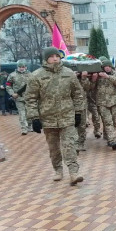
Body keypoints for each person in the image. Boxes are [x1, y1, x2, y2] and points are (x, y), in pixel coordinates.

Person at [25, 47, 85, 186]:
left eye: (57, 56)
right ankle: (58, 170)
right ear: (46, 59)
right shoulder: (36, 76)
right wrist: (34, 118)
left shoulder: (69, 73)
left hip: (67, 116)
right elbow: (30, 98)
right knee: (54, 148)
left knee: (70, 144)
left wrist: (78, 112)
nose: (55, 58)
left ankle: (73, 173)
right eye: (51, 56)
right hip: (48, 118)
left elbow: (77, 94)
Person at [95, 59, 116, 150]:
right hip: (102, 102)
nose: (107, 68)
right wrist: (93, 78)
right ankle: (112, 141)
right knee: (108, 122)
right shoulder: (98, 75)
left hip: (113, 102)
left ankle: (109, 137)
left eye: (108, 66)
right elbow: (91, 87)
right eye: (105, 66)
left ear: (111, 67)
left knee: (113, 122)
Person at [5, 61, 32, 134]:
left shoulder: (30, 74)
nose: (21, 68)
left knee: (29, 113)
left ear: (25, 67)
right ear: (17, 67)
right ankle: (24, 128)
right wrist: (12, 93)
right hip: (19, 98)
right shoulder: (12, 75)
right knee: (22, 113)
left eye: (23, 67)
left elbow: (34, 85)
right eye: (20, 67)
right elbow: (8, 86)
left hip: (29, 97)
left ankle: (29, 125)